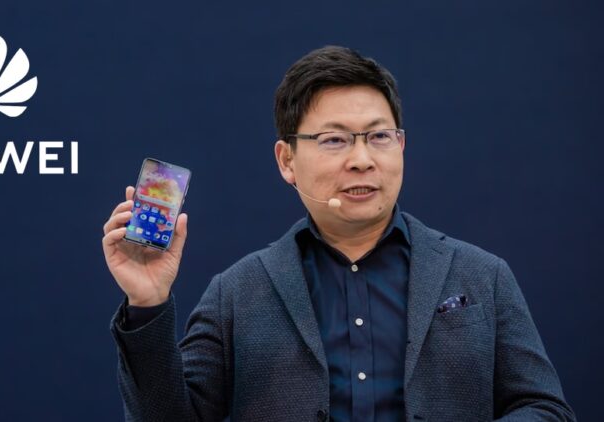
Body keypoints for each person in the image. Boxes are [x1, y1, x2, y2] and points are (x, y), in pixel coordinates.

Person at [102, 46, 575, 421]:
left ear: (401, 145)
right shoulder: (237, 293)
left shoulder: (483, 276)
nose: (362, 160)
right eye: (334, 140)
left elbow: (545, 409)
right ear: (287, 160)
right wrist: (148, 303)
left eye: (379, 136)